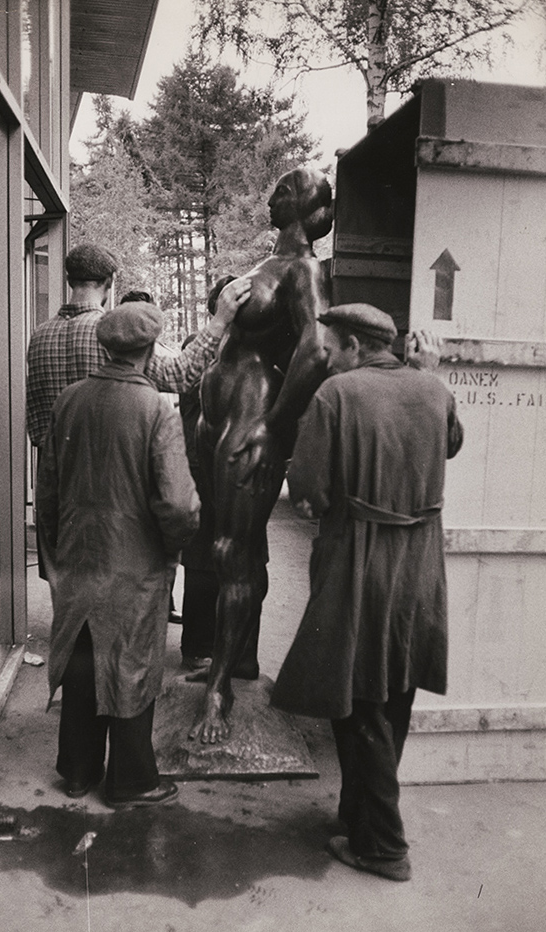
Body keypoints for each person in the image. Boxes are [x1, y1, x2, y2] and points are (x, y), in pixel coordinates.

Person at [270, 304, 464, 881]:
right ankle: (358, 817)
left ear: (354, 345)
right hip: (421, 563)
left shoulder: (336, 395)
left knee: (355, 698)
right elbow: (450, 443)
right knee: (394, 687)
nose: (326, 356)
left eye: (332, 346)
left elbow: (305, 491)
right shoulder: (432, 389)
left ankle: (384, 847)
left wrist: (333, 512)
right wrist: (432, 373)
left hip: (360, 560)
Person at [188, 168, 333, 744]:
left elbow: (317, 348)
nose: (269, 196)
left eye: (282, 190)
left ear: (303, 207)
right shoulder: (262, 266)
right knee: (230, 548)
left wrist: (273, 427)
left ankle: (220, 689)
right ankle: (239, 660)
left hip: (250, 421)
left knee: (231, 551)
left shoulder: (304, 270)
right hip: (217, 421)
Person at [37, 302, 200, 807]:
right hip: (135, 563)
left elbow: (48, 490)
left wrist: (54, 557)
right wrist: (174, 545)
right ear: (150, 352)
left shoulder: (69, 400)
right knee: (132, 661)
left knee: (85, 654)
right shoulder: (156, 410)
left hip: (80, 555)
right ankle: (132, 781)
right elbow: (178, 502)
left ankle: (79, 771)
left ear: (105, 347)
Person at [26, 242, 250, 580]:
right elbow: (180, 375)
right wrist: (219, 322)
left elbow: (38, 426)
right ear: (109, 282)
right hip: (113, 493)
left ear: (70, 279)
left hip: (58, 493)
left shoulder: (39, 337)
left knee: (72, 601)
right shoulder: (114, 335)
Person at [178, 276, 236, 671]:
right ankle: (198, 645)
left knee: (225, 556)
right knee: (202, 558)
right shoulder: (202, 346)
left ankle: (221, 643)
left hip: (226, 464)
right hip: (203, 462)